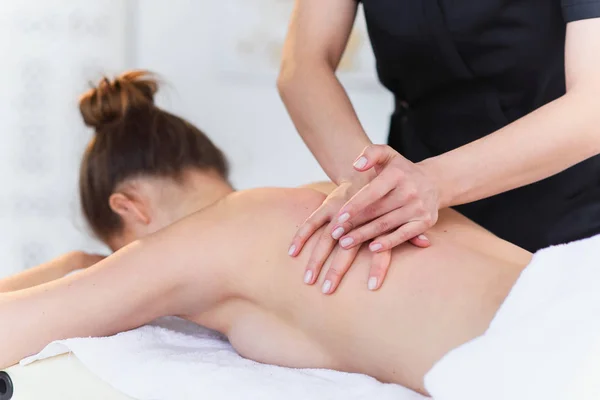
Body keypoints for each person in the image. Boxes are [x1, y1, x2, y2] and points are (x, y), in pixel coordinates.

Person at [0, 71, 533, 396]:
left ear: (130, 207)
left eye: (122, 255)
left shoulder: (218, 240)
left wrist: (77, 267)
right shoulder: (334, 194)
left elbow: (21, 324)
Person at [277, 0, 600, 294]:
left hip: (562, 186)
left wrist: (429, 184)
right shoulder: (399, 192)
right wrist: (368, 189)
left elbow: (592, 107)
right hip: (416, 183)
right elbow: (303, 65)